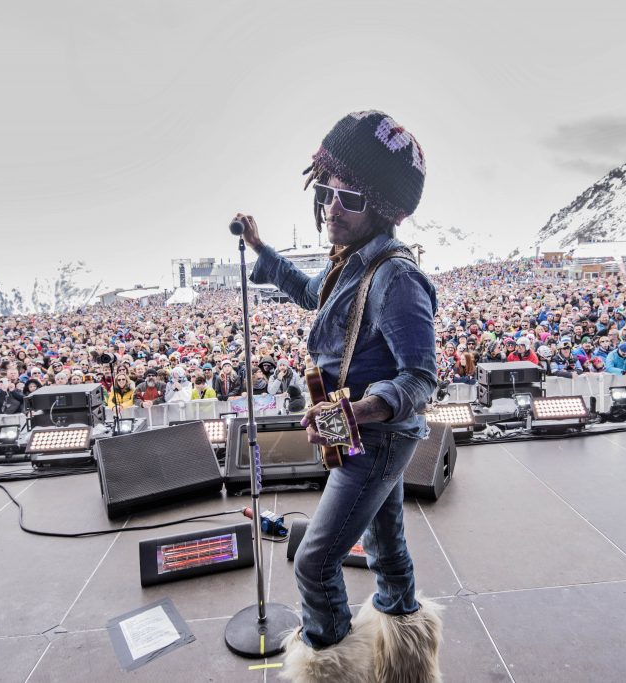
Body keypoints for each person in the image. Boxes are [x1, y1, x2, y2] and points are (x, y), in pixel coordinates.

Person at [239, 110, 441, 681]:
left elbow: (421, 378)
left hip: (374, 438)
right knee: (385, 549)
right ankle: (406, 661)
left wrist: (361, 408)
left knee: (315, 562)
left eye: (347, 198)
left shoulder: (395, 277)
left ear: (379, 206)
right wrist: (262, 250)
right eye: (325, 192)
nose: (331, 207)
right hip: (362, 434)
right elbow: (311, 294)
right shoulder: (351, 261)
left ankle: (329, 665)